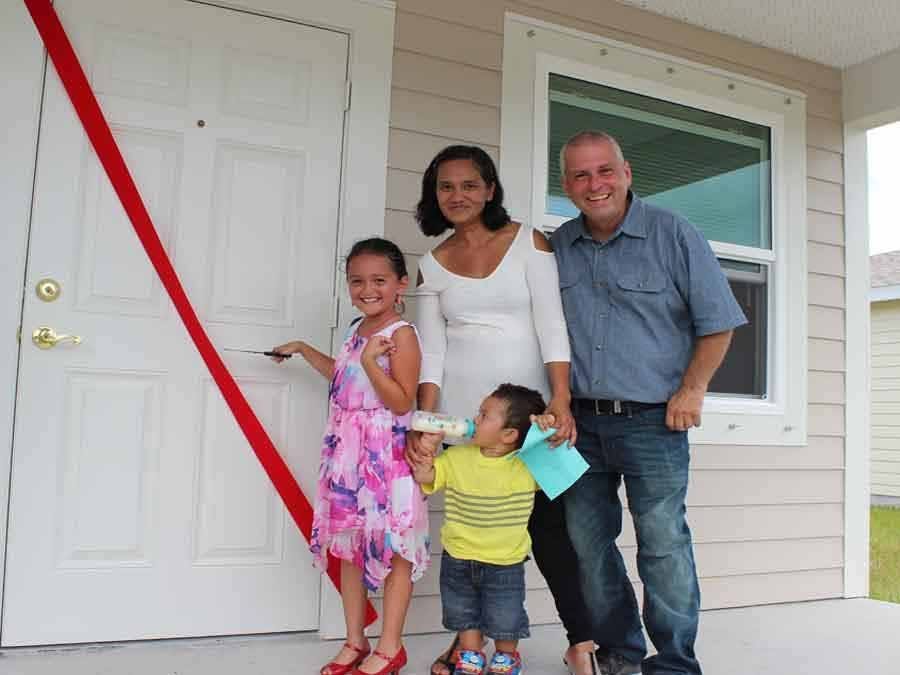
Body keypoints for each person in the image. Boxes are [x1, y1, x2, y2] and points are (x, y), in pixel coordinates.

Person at [552, 131, 748, 675]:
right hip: (580, 424)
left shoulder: (673, 234)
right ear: (566, 186)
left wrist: (692, 389)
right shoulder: (559, 246)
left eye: (604, 171)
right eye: (581, 175)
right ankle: (620, 653)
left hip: (653, 421)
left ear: (627, 172)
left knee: (663, 545)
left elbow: (719, 323)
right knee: (589, 546)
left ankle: (675, 663)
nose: (596, 185)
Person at [408, 145, 598, 675]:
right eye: (446, 187)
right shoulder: (430, 264)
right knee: (469, 528)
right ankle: (465, 640)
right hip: (463, 420)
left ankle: (580, 641)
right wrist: (425, 423)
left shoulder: (528, 242)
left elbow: (552, 324)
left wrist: (561, 398)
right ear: (434, 195)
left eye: (470, 184)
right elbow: (433, 351)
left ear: (490, 189)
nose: (458, 196)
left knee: (551, 531)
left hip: (528, 418)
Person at [272, 237, 429, 675]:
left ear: (400, 285)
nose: (367, 289)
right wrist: (304, 350)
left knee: (394, 545)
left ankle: (390, 646)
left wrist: (373, 365)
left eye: (379, 280)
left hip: (387, 456)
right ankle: (355, 639)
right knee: (348, 546)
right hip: (346, 452)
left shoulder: (401, 335)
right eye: (357, 281)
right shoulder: (354, 330)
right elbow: (344, 377)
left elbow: (401, 402)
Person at [409, 384, 552, 675]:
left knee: (505, 614)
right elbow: (425, 474)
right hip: (459, 556)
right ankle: (471, 655)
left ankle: (506, 657)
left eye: (485, 416)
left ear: (509, 435)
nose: (475, 419)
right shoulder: (457, 457)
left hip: (505, 561)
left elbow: (558, 457)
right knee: (463, 613)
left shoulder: (526, 465)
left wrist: (544, 428)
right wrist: (427, 447)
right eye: (479, 412)